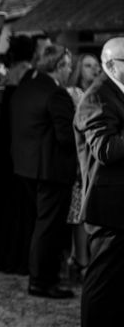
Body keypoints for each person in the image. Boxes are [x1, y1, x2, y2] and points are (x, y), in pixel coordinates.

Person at [10, 43, 76, 299]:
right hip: (51, 171)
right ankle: (41, 282)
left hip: (26, 167)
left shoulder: (27, 87)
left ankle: (40, 276)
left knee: (41, 226)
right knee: (49, 228)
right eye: (69, 64)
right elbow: (67, 137)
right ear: (59, 66)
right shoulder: (56, 94)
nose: (71, 69)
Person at [74, 38, 124, 326]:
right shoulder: (96, 96)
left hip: (120, 205)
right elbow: (105, 149)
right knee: (102, 282)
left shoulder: (117, 92)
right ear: (110, 66)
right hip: (107, 206)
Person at [0, 35, 36, 275]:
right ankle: (18, 257)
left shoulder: (1, 80)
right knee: (20, 204)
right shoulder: (29, 80)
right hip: (21, 148)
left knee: (3, 202)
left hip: (3, 149)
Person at [66, 53, 101, 280]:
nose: (93, 70)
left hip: (93, 163)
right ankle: (80, 260)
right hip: (79, 162)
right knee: (79, 213)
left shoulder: (99, 93)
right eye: (88, 66)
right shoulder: (75, 94)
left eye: (96, 66)